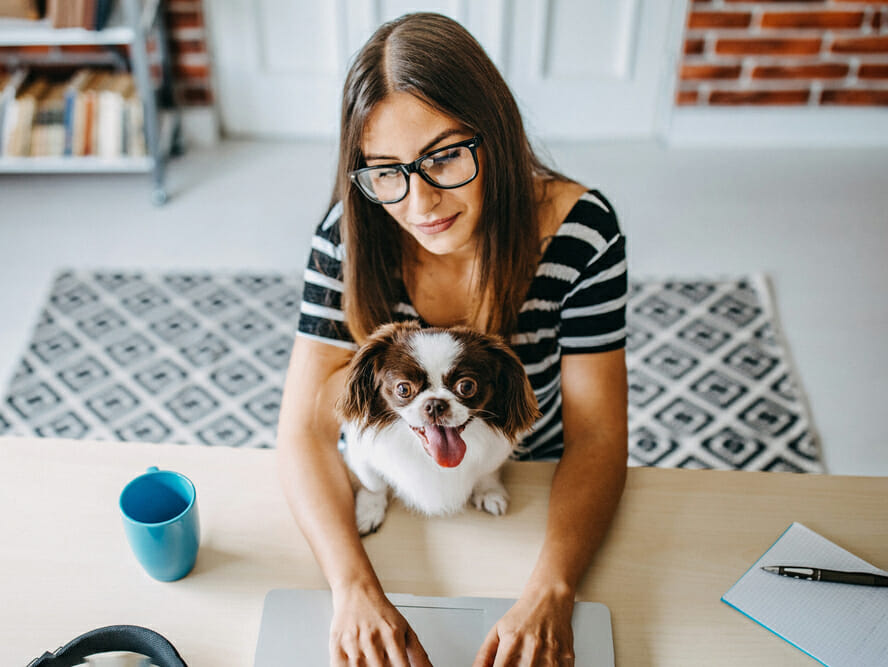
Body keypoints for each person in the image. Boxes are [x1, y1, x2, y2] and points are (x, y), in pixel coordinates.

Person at [276, 12, 628, 666]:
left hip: (527, 485)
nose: (419, 204)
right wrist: (352, 589)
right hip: (391, 485)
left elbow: (599, 436)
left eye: (443, 157)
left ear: (494, 131)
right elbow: (303, 430)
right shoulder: (348, 238)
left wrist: (553, 587)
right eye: (386, 171)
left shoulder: (583, 234)